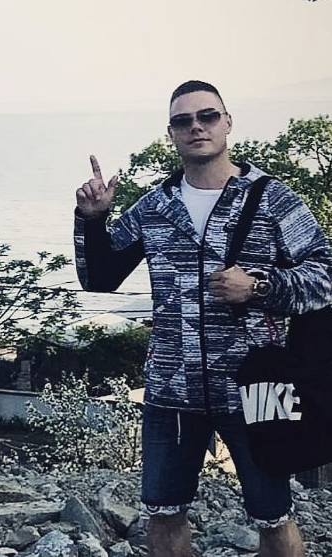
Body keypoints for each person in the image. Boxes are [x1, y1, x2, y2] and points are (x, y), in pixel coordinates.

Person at [74, 80, 332, 557]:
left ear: (227, 123)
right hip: (171, 388)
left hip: (256, 387)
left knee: (273, 516)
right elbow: (100, 278)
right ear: (171, 133)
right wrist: (92, 219)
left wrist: (259, 286)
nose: (196, 127)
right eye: (183, 120)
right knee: (162, 513)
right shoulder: (155, 206)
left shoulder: (272, 199)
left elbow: (325, 277)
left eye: (207, 116)